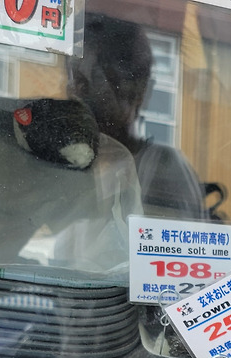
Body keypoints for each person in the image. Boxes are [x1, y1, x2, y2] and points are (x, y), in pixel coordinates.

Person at [69, 13, 208, 221]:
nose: (74, 90)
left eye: (92, 78)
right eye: (74, 78)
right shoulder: (72, 165)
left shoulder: (163, 168)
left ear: (139, 91)